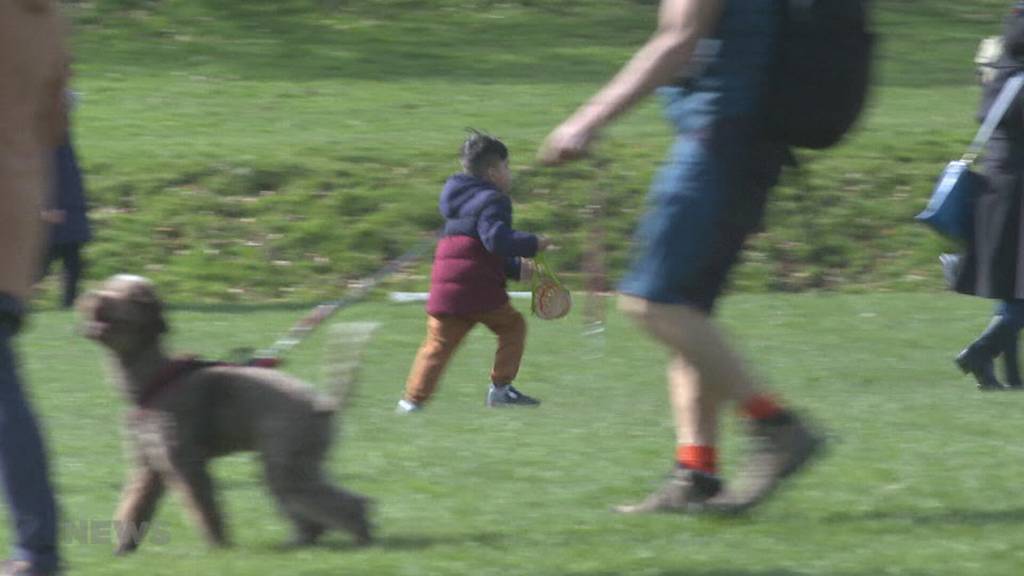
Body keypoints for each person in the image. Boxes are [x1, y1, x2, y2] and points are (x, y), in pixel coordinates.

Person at [538, 0, 822, 513]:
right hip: (739, 137)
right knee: (687, 312)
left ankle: (776, 426)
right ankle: (696, 474)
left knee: (653, 302)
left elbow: (677, 39)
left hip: (721, 138)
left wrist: (586, 121)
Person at [397, 131, 549, 413]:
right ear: (492, 172)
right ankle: (501, 390)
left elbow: (474, 250)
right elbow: (496, 240)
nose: (509, 173)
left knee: (436, 347)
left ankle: (411, 403)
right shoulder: (494, 201)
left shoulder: (456, 202)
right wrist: (532, 244)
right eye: (507, 166)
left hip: (447, 292)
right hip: (479, 290)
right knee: (512, 326)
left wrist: (515, 268)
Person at [0, 1, 68, 574]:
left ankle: (37, 550)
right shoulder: (45, 16)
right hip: (16, 219)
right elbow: (55, 126)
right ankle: (37, 549)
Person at [951, 3, 1024, 391]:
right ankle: (981, 352)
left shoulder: (1000, 74)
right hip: (1019, 190)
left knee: (1015, 285)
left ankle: (1010, 375)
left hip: (997, 187)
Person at [41, 88, 92, 310]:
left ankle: (68, 302)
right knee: (41, 262)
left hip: (69, 205)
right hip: (57, 207)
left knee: (72, 258)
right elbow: (46, 174)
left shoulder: (61, 135)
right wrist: (48, 205)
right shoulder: (47, 138)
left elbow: (70, 175)